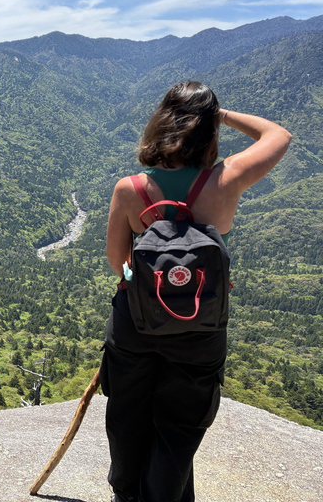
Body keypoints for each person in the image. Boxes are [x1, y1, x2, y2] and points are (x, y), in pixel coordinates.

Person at [100, 81, 292, 502]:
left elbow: (119, 263)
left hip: (136, 322)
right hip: (200, 326)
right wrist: (217, 115)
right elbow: (279, 135)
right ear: (207, 132)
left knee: (128, 412)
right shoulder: (225, 179)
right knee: (182, 425)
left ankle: (126, 493)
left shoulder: (130, 188)